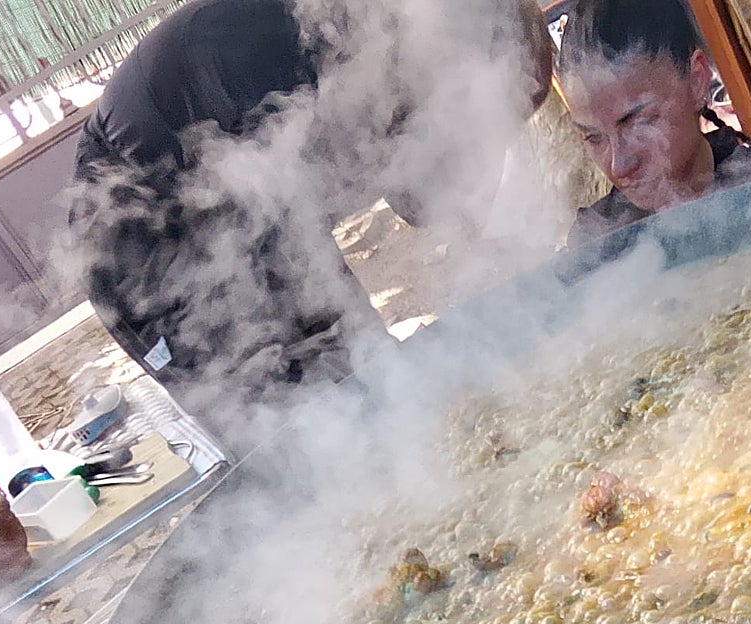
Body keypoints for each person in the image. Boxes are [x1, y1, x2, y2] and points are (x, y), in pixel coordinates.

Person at [67, 0, 553, 450]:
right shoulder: (298, 42)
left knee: (373, 379)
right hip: (146, 242)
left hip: (267, 222)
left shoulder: (403, 48)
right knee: (292, 433)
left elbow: (421, 200)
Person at [555, 0, 751, 248]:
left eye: (638, 122)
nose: (618, 167)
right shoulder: (596, 243)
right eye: (593, 137)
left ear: (697, 81)